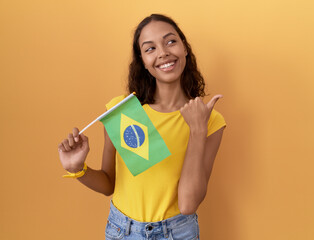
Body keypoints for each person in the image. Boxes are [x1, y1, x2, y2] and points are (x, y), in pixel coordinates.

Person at [58, 14, 226, 240]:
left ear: (184, 48)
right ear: (143, 62)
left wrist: (197, 131)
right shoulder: (122, 111)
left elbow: (188, 204)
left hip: (178, 232)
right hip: (122, 231)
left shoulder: (209, 120)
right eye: (150, 49)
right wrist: (77, 169)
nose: (163, 52)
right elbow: (109, 183)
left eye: (170, 41)